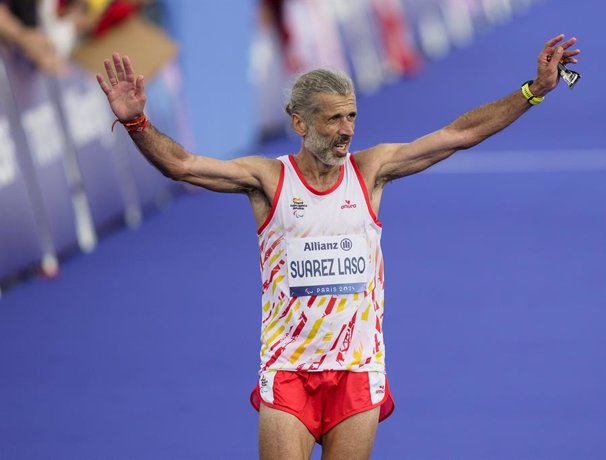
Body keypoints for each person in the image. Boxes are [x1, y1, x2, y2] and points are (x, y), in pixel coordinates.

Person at [96, 33, 580, 459]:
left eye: (351, 116)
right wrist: (138, 123)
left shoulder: (371, 170)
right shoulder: (267, 180)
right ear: (300, 123)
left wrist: (532, 92)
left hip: (357, 369)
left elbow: (459, 134)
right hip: (289, 370)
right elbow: (182, 165)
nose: (347, 130)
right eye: (333, 120)